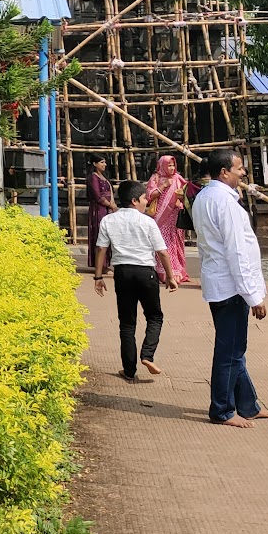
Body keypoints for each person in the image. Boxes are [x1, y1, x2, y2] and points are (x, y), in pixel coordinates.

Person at [191, 148, 268, 427]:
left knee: (235, 348)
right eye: (239, 168)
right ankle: (222, 410)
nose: (243, 173)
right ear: (224, 172)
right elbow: (237, 252)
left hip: (221, 282)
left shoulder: (205, 196)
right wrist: (253, 296)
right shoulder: (224, 202)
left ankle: (248, 405)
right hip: (230, 286)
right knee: (229, 350)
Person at [94, 180, 179, 382]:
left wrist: (98, 277)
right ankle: (147, 355)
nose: (146, 202)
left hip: (122, 273)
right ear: (134, 201)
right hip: (145, 273)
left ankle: (129, 370)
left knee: (127, 323)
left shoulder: (108, 220)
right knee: (155, 317)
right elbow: (162, 252)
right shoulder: (147, 222)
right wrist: (170, 277)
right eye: (143, 198)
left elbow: (101, 249)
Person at [145, 154, 192, 285]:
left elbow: (187, 191)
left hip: (175, 216)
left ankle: (178, 272)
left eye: (173, 165)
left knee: (176, 243)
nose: (171, 168)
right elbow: (149, 196)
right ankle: (164, 273)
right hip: (161, 217)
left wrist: (181, 197)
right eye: (169, 165)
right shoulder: (156, 178)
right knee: (162, 244)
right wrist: (163, 186)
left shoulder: (178, 178)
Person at [86, 155, 115, 264]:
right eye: (102, 162)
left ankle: (106, 263)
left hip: (108, 209)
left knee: (108, 234)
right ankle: (101, 264)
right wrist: (110, 205)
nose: (105, 165)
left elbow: (110, 192)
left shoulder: (104, 177)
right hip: (99, 210)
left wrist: (112, 205)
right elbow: (97, 196)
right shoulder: (93, 177)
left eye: (105, 162)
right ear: (95, 164)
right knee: (100, 234)